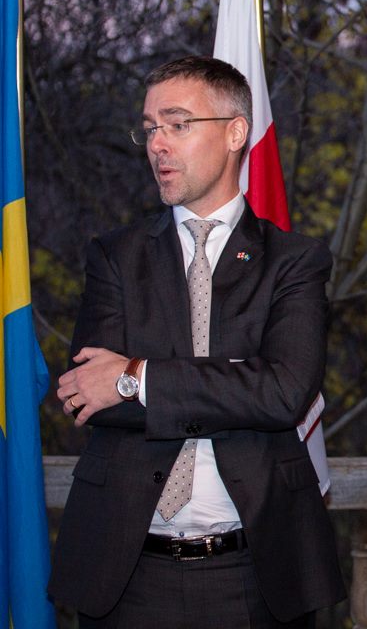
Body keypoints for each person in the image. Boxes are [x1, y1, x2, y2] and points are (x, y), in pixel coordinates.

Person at [50, 56, 345, 628]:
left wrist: (137, 377)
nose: (157, 144)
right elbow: (89, 394)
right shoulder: (114, 256)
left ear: (236, 133)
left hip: (256, 572)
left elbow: (283, 393)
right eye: (149, 128)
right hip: (128, 573)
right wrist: (233, 382)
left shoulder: (294, 262)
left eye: (178, 124)